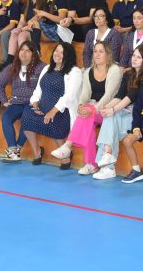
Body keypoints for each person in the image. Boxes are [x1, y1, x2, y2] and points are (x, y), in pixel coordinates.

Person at [52, 41, 123, 175]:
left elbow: (108, 95)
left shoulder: (114, 70)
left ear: (108, 54)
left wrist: (93, 109)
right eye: (95, 51)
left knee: (87, 115)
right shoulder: (88, 71)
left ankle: (69, 146)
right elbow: (85, 94)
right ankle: (90, 164)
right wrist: (80, 105)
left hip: (110, 109)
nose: (97, 54)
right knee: (85, 118)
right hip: (93, 108)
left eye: (101, 51)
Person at [93, 46, 143, 180]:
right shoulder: (128, 74)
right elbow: (120, 95)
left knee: (111, 119)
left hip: (140, 116)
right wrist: (107, 107)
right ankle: (108, 156)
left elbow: (131, 96)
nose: (134, 59)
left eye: (139, 57)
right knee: (110, 118)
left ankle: (108, 166)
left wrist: (113, 110)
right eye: (133, 56)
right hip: (126, 111)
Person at [21, 42, 82, 168]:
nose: (57, 54)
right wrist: (35, 104)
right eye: (56, 51)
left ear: (68, 56)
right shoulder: (47, 68)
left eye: (62, 52)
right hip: (43, 107)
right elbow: (38, 90)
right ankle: (37, 151)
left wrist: (53, 111)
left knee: (53, 121)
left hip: (61, 110)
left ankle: (65, 155)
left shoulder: (75, 72)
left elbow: (69, 96)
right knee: (26, 115)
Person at [0, 42, 46, 163]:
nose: (24, 53)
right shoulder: (12, 67)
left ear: (34, 54)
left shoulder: (42, 67)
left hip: (33, 104)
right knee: (6, 118)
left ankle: (17, 149)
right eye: (22, 50)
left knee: (27, 118)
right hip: (17, 102)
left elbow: (48, 86)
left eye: (28, 50)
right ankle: (13, 149)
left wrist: (42, 103)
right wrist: (4, 101)